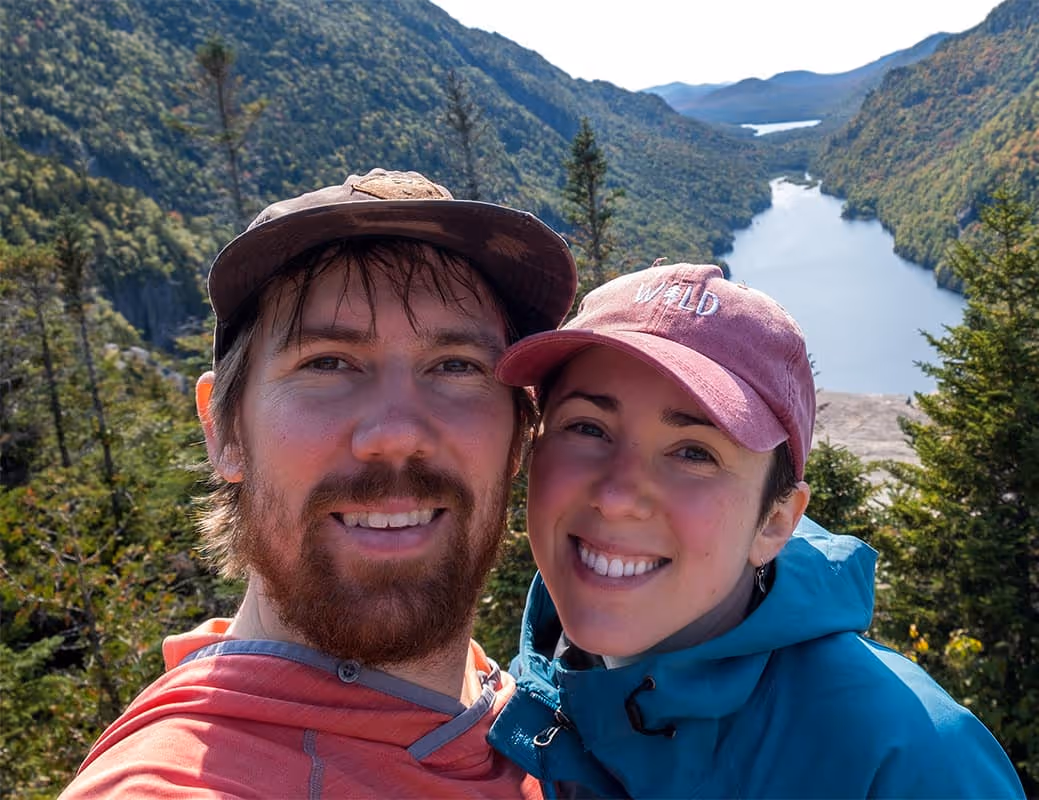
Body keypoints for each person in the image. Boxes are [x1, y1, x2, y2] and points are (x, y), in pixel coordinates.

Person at [59, 168, 577, 798]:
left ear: (520, 432)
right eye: (327, 362)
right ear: (224, 431)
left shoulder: (518, 720)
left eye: (455, 366)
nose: (396, 433)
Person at [487, 262, 1025, 799]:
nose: (617, 496)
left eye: (694, 453)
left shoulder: (908, 761)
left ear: (775, 522)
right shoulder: (534, 698)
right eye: (586, 427)